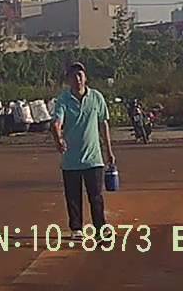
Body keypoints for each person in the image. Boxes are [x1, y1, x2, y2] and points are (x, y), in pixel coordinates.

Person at [50, 61, 115, 237]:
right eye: (73, 76)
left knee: (96, 196)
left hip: (93, 158)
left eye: (80, 75)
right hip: (71, 159)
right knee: (73, 197)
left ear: (85, 78)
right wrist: (58, 138)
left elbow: (103, 124)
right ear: (68, 80)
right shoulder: (63, 99)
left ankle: (100, 228)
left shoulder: (96, 98)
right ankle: (76, 228)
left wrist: (109, 151)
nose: (77, 79)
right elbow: (57, 122)